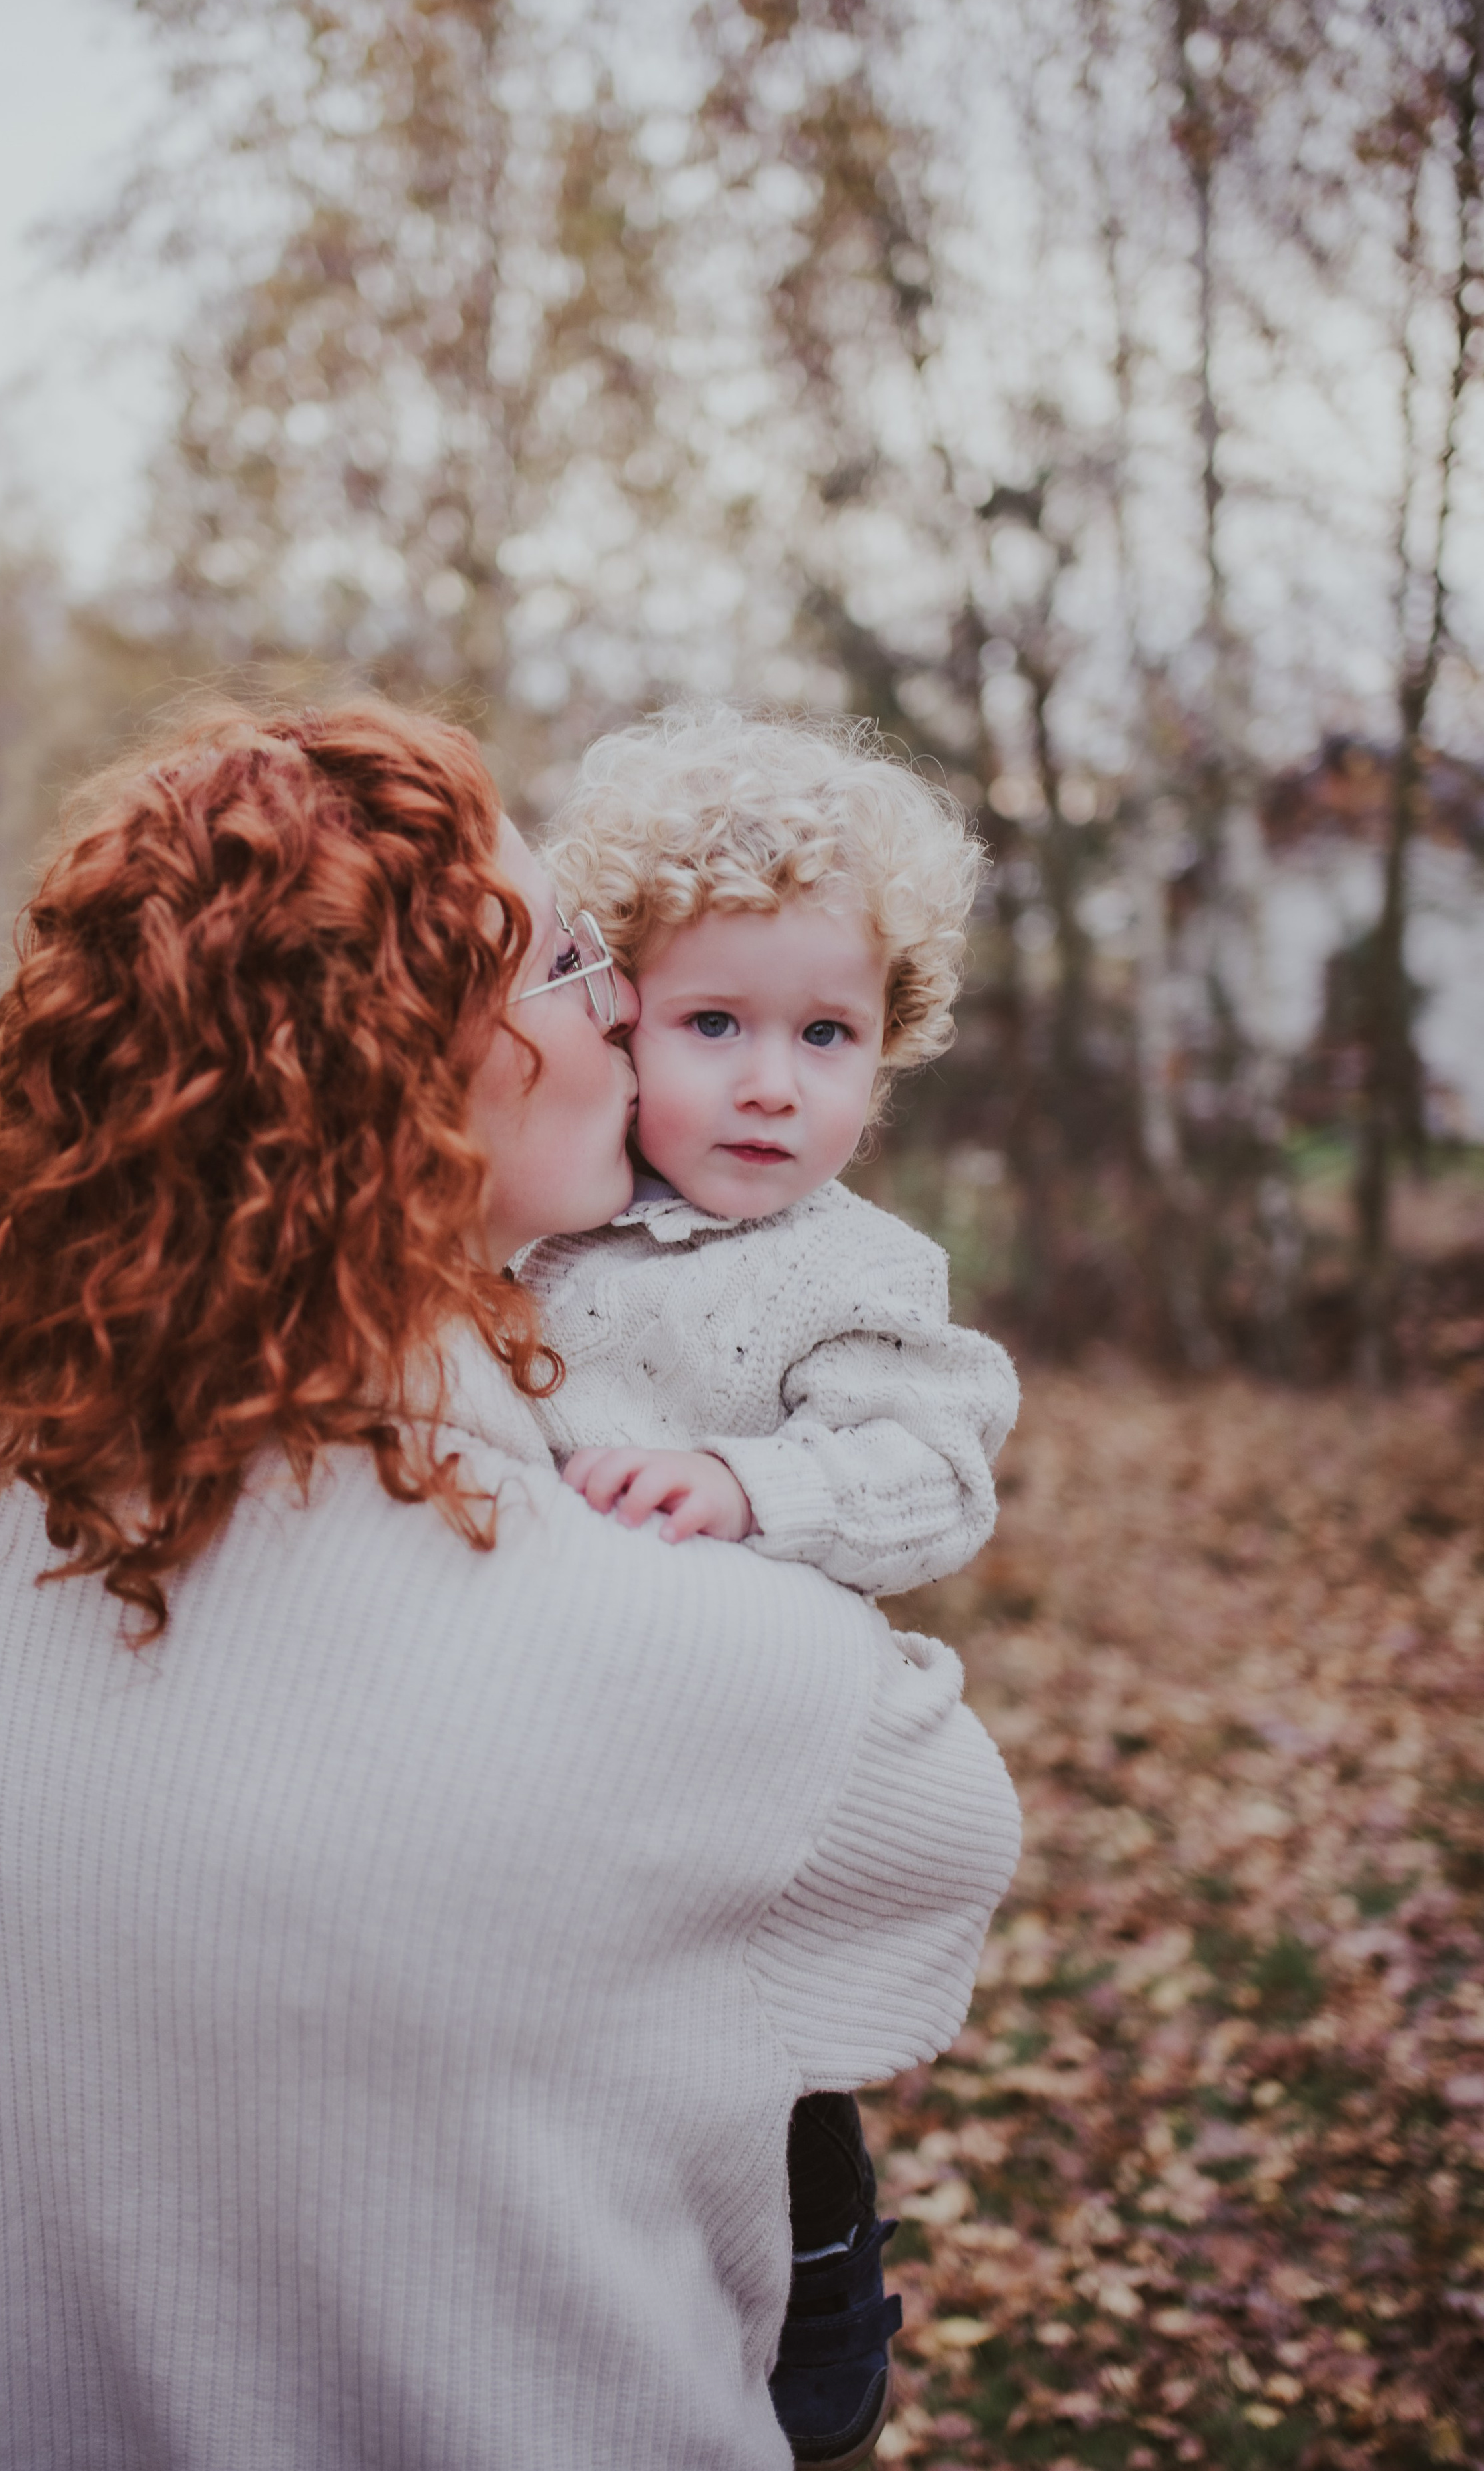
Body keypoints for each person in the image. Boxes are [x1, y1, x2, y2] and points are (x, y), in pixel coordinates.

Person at [0, 697, 1020, 2471]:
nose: (617, 1007)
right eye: (566, 968)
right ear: (411, 1072)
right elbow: (926, 1823)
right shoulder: (668, 1658)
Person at [520, 701, 1019, 2465]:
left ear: (891, 1047)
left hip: (740, 1758)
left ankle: (820, 2287)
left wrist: (756, 1483)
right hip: (538, 1760)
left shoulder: (855, 1270)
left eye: (830, 1032)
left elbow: (931, 1474)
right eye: (714, 1023)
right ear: (618, 1020)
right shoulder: (539, 1223)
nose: (770, 1081)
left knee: (765, 2048)